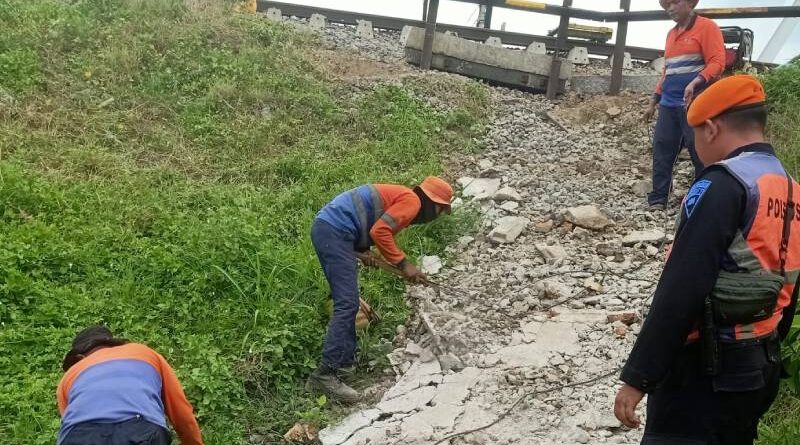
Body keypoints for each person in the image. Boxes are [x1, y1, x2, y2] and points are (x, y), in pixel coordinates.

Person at [615, 75, 800, 444]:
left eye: (695, 134)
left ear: (712, 128)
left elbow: (682, 286)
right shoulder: (790, 188)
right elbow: (788, 282)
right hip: (760, 365)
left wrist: (638, 377)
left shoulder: (722, 184)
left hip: (706, 372)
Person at [306, 176, 453, 403]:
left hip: (333, 230)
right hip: (334, 231)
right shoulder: (412, 201)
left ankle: (343, 364)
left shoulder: (403, 196)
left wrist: (363, 250)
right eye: (441, 211)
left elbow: (367, 223)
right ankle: (325, 375)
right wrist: (404, 265)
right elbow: (381, 231)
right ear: (434, 204)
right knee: (347, 303)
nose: (438, 216)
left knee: (348, 301)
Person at [58, 326, 204, 445]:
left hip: (78, 437)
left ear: (80, 357)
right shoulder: (143, 352)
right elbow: (180, 411)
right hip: (141, 432)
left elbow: (69, 422)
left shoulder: (69, 376)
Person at [646, 0, 725, 210]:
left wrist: (696, 81)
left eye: (675, 2)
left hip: (696, 103)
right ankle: (658, 198)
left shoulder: (707, 27)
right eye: (666, 5)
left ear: (690, 3)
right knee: (662, 150)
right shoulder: (671, 34)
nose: (670, 8)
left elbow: (717, 62)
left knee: (700, 152)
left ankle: (703, 200)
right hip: (668, 104)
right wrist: (654, 100)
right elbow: (668, 71)